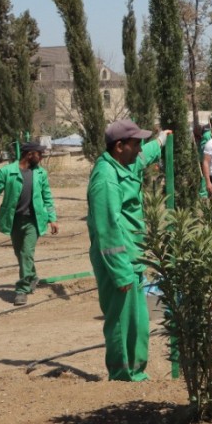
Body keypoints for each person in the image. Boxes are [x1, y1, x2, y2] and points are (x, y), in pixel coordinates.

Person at [87, 119, 172, 381]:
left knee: (138, 323)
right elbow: (107, 228)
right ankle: (123, 376)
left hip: (132, 256)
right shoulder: (106, 178)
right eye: (136, 143)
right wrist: (121, 273)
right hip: (118, 262)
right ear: (119, 146)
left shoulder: (124, 163)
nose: (139, 148)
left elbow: (144, 156)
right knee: (122, 324)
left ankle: (136, 372)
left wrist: (161, 140)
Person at [0, 141, 59, 306]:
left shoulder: (41, 173)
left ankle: (22, 289)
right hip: (14, 221)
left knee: (26, 253)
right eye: (39, 154)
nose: (41, 157)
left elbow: (47, 196)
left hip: (33, 221)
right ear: (30, 154)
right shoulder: (7, 172)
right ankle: (32, 276)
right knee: (20, 254)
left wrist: (52, 218)